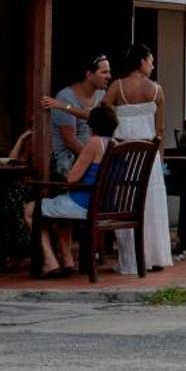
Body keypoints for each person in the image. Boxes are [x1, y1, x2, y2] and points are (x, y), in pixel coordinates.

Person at [107, 44, 171, 274]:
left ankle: (131, 259)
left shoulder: (117, 87)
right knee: (151, 205)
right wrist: (159, 159)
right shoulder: (156, 90)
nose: (152, 66)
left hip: (123, 154)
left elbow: (103, 115)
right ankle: (155, 256)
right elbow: (160, 128)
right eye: (151, 61)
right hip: (148, 157)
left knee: (126, 202)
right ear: (141, 61)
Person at [38, 103, 117, 276]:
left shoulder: (95, 142)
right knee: (59, 216)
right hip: (105, 205)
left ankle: (49, 262)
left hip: (84, 204)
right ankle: (67, 261)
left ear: (92, 125)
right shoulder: (115, 144)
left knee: (31, 210)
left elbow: (72, 178)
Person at [42, 55, 112, 175]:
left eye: (109, 72)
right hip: (70, 163)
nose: (109, 77)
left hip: (94, 159)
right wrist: (95, 162)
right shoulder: (65, 97)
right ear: (89, 75)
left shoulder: (102, 95)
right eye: (104, 72)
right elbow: (70, 141)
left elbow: (98, 119)